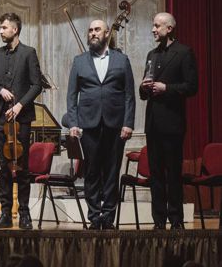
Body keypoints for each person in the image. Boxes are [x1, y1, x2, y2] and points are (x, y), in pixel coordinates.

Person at [65, 19, 135, 230]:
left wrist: (128, 123)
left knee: (112, 171)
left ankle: (108, 216)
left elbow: (129, 95)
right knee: (92, 171)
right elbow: (71, 96)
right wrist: (73, 123)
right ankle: (94, 216)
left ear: (107, 34)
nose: (93, 33)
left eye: (97, 30)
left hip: (115, 125)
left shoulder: (122, 60)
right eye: (90, 30)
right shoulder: (79, 61)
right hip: (88, 124)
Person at [139, 12, 198, 230]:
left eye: (157, 26)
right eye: (153, 25)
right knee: (156, 174)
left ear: (169, 29)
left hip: (172, 123)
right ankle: (158, 221)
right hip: (153, 123)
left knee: (173, 172)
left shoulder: (184, 53)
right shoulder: (151, 54)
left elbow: (192, 87)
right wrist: (143, 87)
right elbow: (144, 92)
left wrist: (167, 88)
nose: (153, 29)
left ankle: (176, 220)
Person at [0, 12, 42, 230]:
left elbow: (36, 85)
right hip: (1, 118)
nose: (0, 31)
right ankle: (6, 213)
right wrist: (0, 90)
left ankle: (25, 214)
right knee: (4, 167)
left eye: (4, 27)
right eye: (0, 27)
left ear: (15, 29)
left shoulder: (29, 53)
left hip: (22, 118)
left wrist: (20, 105)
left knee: (23, 167)